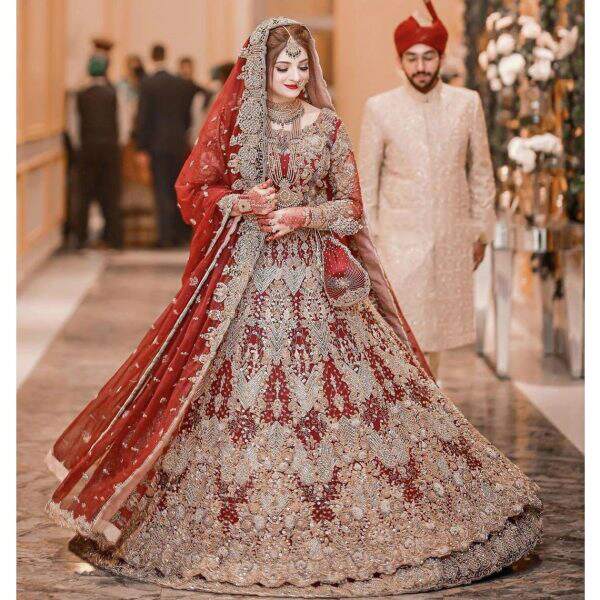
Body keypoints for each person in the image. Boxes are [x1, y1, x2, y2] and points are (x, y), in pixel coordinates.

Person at [45, 18, 541, 596]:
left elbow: (350, 210)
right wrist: (239, 199)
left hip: (317, 284)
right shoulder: (238, 128)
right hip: (247, 285)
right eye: (283, 67)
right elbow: (194, 190)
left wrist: (300, 215)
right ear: (261, 69)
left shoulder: (327, 128)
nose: (294, 77)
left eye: (302, 67)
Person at [359, 0, 496, 379]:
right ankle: (408, 417)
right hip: (397, 242)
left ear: (440, 57)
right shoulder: (380, 108)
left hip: (452, 237)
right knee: (402, 333)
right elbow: (366, 184)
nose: (421, 67)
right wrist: (368, 243)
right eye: (412, 58)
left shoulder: (466, 104)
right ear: (400, 61)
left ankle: (430, 414)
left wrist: (481, 231)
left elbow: (481, 173)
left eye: (428, 57)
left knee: (436, 336)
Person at [136, 44, 197, 247]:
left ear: (152, 57)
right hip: (178, 144)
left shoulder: (148, 83)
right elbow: (187, 117)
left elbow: (143, 118)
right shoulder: (180, 83)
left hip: (157, 145)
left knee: (161, 190)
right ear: (166, 56)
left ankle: (164, 237)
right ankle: (179, 234)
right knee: (177, 189)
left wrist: (141, 147)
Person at [71, 54, 123, 249]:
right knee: (111, 194)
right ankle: (115, 239)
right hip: (110, 148)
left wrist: (81, 145)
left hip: (87, 148)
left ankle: (81, 238)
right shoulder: (113, 94)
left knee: (84, 194)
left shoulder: (81, 95)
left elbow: (74, 125)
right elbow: (123, 124)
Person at [178, 56, 213, 147]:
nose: (186, 71)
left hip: (193, 127)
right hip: (179, 128)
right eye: (183, 68)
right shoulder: (175, 90)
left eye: (188, 68)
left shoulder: (198, 89)